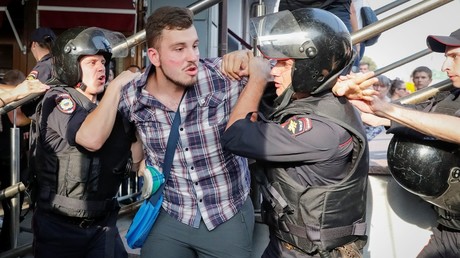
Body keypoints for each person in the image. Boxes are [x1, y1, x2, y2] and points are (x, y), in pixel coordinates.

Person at [221, 8, 370, 258]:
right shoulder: (316, 101)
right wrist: (245, 61)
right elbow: (268, 103)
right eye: (274, 62)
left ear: (311, 68)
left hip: (310, 252)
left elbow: (235, 136)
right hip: (288, 245)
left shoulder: (321, 130)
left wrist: (257, 79)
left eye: (284, 63)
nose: (273, 70)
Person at [118, 6, 256, 258]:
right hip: (171, 213)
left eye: (194, 46)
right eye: (179, 49)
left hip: (225, 213)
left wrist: (251, 58)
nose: (192, 56)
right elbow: (125, 136)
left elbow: (271, 71)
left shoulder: (223, 77)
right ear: (154, 56)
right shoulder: (132, 96)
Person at [334, 28, 460, 257]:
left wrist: (387, 108)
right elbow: (417, 115)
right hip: (449, 230)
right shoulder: (452, 95)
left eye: (454, 57)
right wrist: (366, 104)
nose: (445, 67)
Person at [32, 27, 140, 258]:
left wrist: (138, 118)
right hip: (59, 229)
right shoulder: (59, 99)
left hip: (103, 225)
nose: (101, 67)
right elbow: (90, 139)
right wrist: (117, 88)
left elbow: (137, 158)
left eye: (103, 61)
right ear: (71, 66)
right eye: (92, 62)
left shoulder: (111, 107)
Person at [0, 70, 32, 252]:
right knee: (12, 203)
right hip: (9, 158)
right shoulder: (11, 102)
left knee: (12, 202)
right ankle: (7, 244)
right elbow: (17, 119)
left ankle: (8, 242)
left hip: (13, 158)